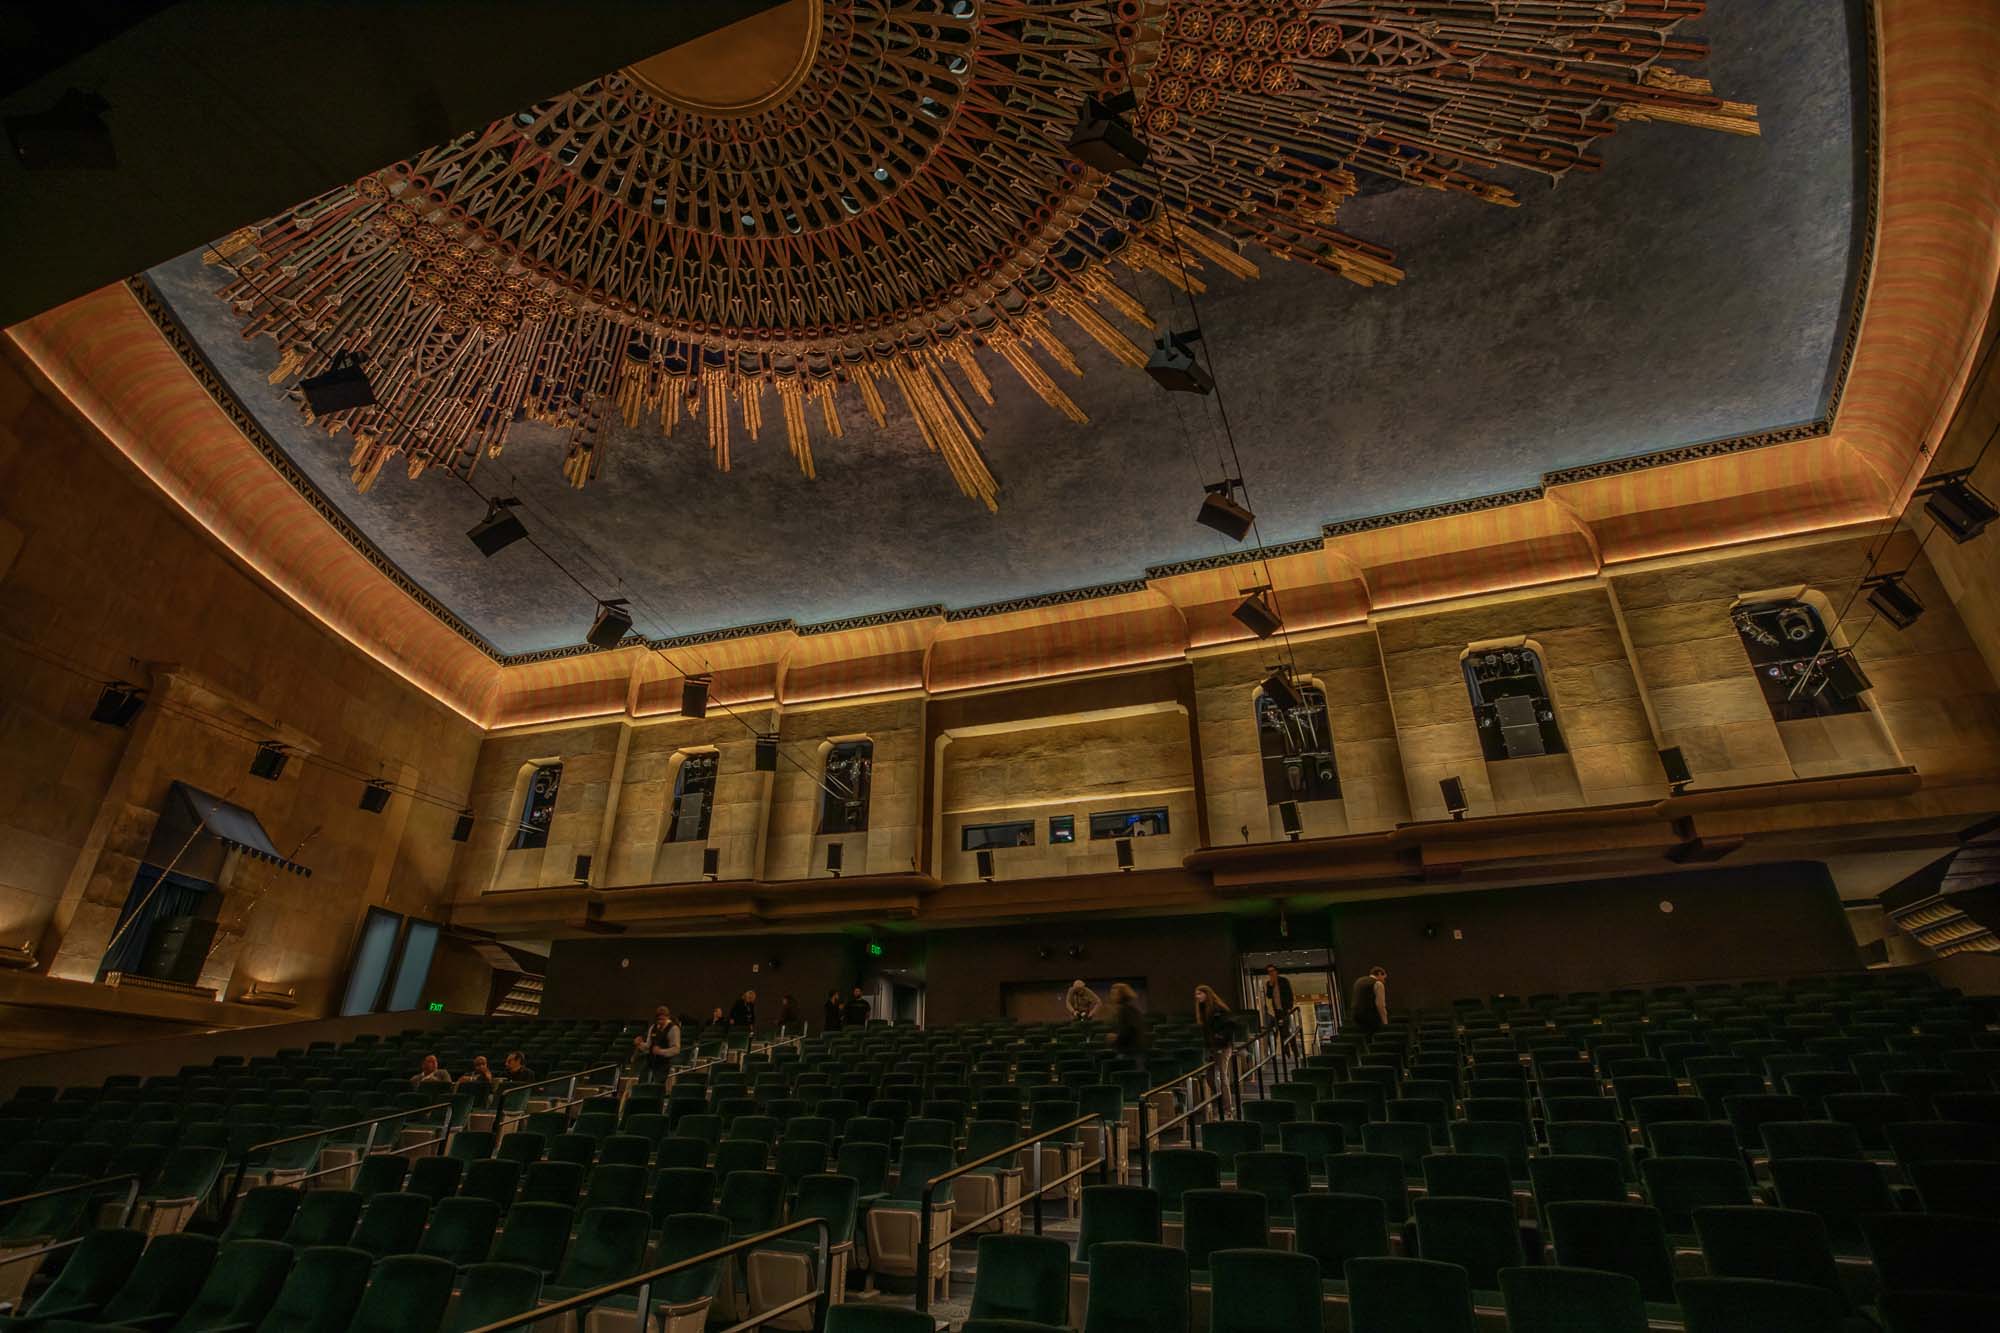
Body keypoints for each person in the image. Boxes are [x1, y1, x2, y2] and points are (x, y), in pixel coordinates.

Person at [1194, 985, 1235, 1114]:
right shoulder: (1203, 1009)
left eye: (1199, 993)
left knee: (1222, 1076)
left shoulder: (1218, 1008)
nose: (1197, 996)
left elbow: (1229, 1026)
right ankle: (1221, 1101)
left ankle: (1228, 1108)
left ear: (1207, 994)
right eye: (1196, 994)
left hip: (1223, 1046)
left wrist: (1220, 1037)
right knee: (1210, 1077)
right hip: (1212, 1047)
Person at [1105, 982, 1147, 1069]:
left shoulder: (1125, 1011)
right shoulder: (1130, 1010)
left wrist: (1116, 1037)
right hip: (1131, 1051)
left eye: (1114, 993)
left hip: (1130, 1053)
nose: (1111, 996)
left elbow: (1129, 1030)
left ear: (1121, 995)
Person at [637, 1006, 681, 1081]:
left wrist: (660, 1052)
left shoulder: (673, 1029)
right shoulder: (653, 1027)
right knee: (642, 1079)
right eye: (658, 1019)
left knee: (658, 1085)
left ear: (667, 1017)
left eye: (662, 1019)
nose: (660, 1022)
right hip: (651, 1061)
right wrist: (640, 1044)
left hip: (664, 1064)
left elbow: (676, 1049)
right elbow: (648, 1046)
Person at [1261, 965, 1296, 1045]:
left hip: (1285, 1009)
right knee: (1281, 1031)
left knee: (1286, 1030)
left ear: (1276, 971)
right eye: (1269, 972)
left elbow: (1289, 994)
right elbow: (1269, 996)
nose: (1271, 973)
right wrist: (1270, 985)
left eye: (1272, 971)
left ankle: (1294, 1052)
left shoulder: (1283, 981)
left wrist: (1289, 1007)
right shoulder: (1269, 983)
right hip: (1277, 1011)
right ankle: (1286, 1052)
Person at [1349, 967, 1389, 1034]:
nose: (1384, 981)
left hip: (1355, 1017)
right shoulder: (1378, 984)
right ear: (1379, 974)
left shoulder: (1358, 981)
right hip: (1370, 1019)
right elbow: (1380, 1005)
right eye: (1384, 977)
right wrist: (1385, 1023)